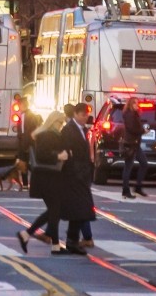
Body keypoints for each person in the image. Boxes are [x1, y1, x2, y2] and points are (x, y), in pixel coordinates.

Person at [18, 111, 69, 252]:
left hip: (48, 177)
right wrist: (59, 155)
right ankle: (54, 245)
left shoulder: (48, 134)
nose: (61, 125)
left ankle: (29, 235)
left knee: (54, 210)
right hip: (46, 177)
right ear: (53, 121)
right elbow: (42, 155)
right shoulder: (47, 135)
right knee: (55, 210)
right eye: (60, 122)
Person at [55, 103, 96, 255]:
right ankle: (71, 241)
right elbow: (65, 150)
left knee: (81, 209)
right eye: (83, 115)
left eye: (86, 115)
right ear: (76, 114)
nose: (85, 118)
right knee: (79, 209)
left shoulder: (83, 130)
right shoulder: (68, 130)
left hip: (82, 175)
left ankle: (72, 240)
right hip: (73, 175)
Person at [120, 97, 149, 198]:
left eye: (137, 103)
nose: (137, 105)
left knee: (144, 163)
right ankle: (125, 190)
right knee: (128, 167)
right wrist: (143, 131)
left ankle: (138, 186)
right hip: (130, 144)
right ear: (130, 104)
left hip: (135, 144)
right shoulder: (129, 114)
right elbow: (132, 128)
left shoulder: (134, 114)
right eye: (134, 103)